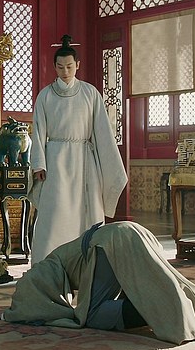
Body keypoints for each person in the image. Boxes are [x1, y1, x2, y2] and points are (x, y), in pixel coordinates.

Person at [2, 221, 195, 345]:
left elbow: (41, 302)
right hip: (132, 231)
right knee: (163, 281)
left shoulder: (43, 270)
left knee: (92, 315)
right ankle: (186, 309)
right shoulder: (56, 261)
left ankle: (159, 310)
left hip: (109, 243)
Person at [28, 34, 127, 266]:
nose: (65, 71)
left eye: (70, 66)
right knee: (54, 213)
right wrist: (39, 164)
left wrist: (107, 164)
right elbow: (38, 131)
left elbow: (102, 131)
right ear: (54, 67)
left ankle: (88, 264)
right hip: (56, 160)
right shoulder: (45, 96)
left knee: (87, 213)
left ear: (77, 65)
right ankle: (47, 265)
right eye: (60, 67)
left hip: (84, 160)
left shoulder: (90, 93)